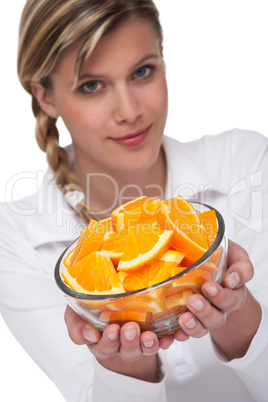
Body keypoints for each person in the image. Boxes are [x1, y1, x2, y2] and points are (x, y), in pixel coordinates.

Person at [0, 0, 267, 401]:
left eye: (142, 72)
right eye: (92, 85)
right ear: (45, 96)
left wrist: (239, 319)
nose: (130, 112)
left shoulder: (244, 162)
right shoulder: (14, 235)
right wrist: (124, 366)